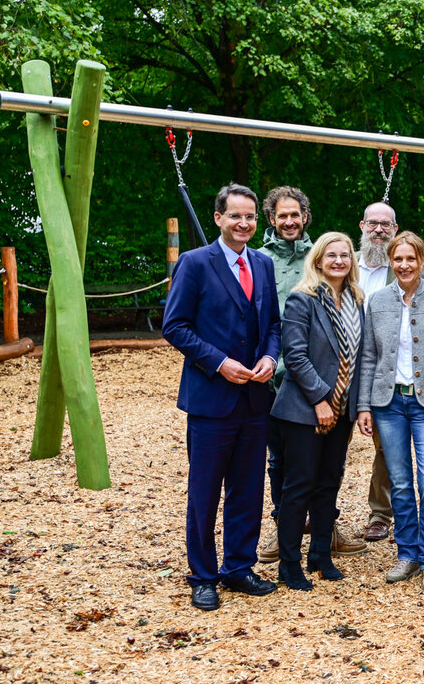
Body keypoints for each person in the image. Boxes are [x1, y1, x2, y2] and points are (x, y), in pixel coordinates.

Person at [162, 182, 281, 611]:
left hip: (255, 399)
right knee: (205, 491)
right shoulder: (195, 264)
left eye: (250, 216)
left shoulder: (263, 264)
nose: (244, 223)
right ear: (218, 218)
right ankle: (203, 575)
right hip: (211, 398)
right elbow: (174, 326)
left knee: (248, 489)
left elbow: (272, 324)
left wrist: (270, 356)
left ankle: (238, 567)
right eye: (236, 216)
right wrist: (218, 362)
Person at [258, 187, 365, 563]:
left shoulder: (353, 295)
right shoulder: (260, 260)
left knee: (326, 474)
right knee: (285, 468)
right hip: (281, 381)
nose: (289, 221)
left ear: (305, 216)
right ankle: (284, 537)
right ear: (271, 219)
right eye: (281, 216)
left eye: (295, 215)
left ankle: (324, 535)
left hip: (334, 394)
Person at [356, 232, 424, 593]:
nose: (404, 266)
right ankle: (408, 552)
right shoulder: (378, 301)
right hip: (388, 404)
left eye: (410, 259)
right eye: (397, 259)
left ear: (421, 261)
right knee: (399, 483)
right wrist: (364, 406)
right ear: (391, 261)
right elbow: (368, 355)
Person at [355, 202, 398, 542]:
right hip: (340, 368)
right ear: (362, 226)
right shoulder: (342, 263)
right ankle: (319, 511)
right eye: (374, 223)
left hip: (384, 369)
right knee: (325, 444)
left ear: (394, 230)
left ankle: (380, 514)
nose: (379, 230)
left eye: (386, 224)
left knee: (387, 447)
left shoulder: (401, 271)